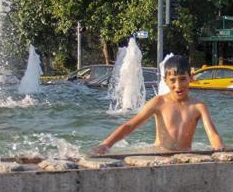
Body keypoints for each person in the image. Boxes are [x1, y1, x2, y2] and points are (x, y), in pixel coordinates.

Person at [92, 55, 225, 154]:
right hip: (160, 155)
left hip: (185, 156)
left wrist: (219, 149)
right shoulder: (159, 102)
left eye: (183, 79)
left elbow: (212, 134)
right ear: (165, 81)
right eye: (172, 80)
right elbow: (130, 125)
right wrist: (106, 145)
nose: (178, 85)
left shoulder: (198, 106)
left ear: (191, 78)